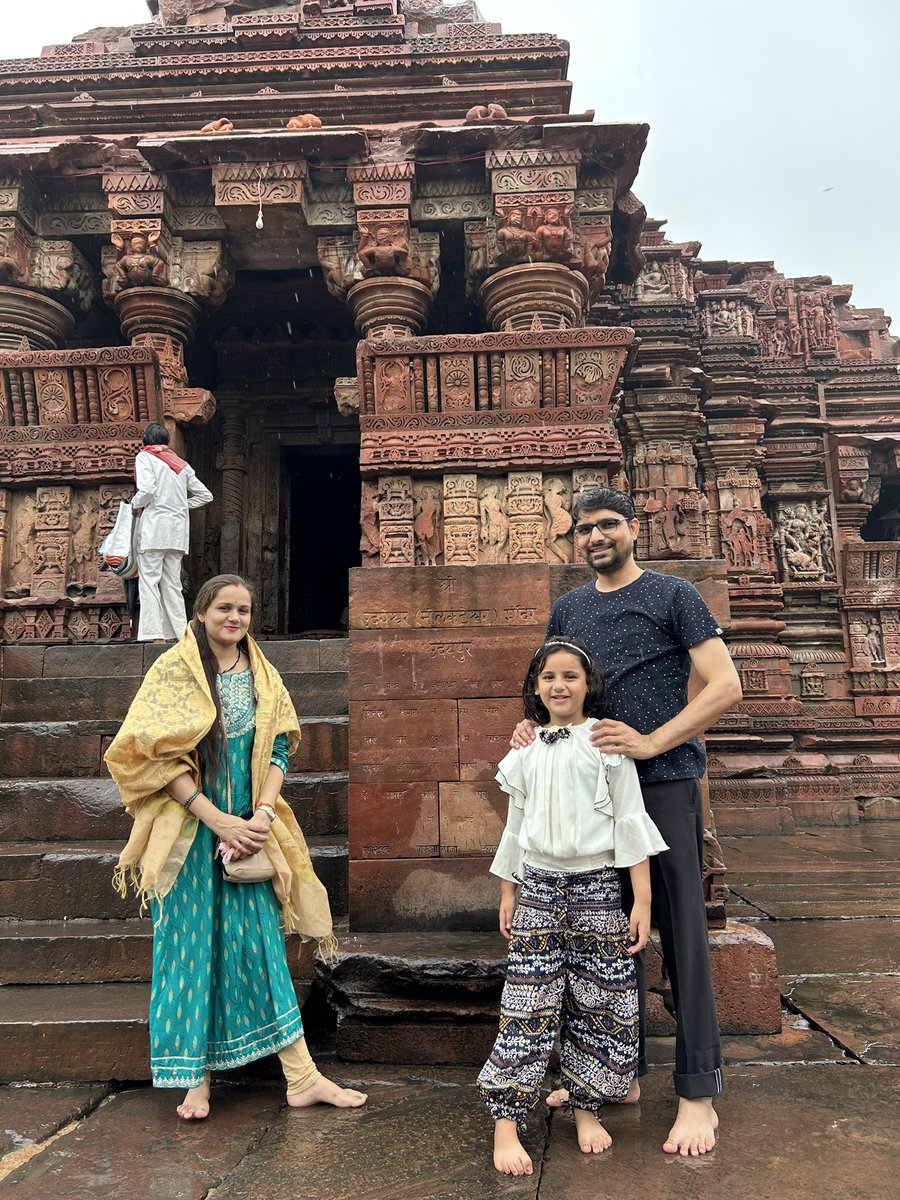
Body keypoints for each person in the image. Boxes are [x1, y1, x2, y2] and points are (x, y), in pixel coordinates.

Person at [512, 486, 742, 1157]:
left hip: (664, 783)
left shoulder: (674, 596)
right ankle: (619, 1075)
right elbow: (553, 683)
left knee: (681, 933)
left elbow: (725, 685)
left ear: (633, 528)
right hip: (591, 793)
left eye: (607, 524)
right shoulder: (570, 607)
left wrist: (652, 742)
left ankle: (698, 1093)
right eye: (584, 529)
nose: (595, 537)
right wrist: (533, 727)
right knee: (610, 940)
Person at [105, 574, 367, 1119]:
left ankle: (301, 1076)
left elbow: (279, 749)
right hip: (188, 830)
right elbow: (156, 759)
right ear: (201, 612)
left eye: (244, 610)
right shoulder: (174, 671)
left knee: (261, 947)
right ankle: (194, 1079)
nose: (235, 618)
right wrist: (217, 819)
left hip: (249, 832)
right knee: (187, 947)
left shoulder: (263, 676)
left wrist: (262, 815)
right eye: (225, 608)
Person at [479, 637, 668, 1176]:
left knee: (602, 1003)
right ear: (536, 688)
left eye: (570, 676)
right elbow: (516, 825)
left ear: (588, 686)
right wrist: (507, 891)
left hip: (598, 888)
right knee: (528, 1002)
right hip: (538, 885)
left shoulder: (607, 743)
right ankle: (506, 1121)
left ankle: (586, 1105)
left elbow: (629, 820)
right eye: (548, 677)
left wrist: (643, 900)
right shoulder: (525, 749)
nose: (559, 685)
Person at [132, 422, 212, 642]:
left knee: (149, 581)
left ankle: (154, 633)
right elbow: (206, 495)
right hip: (176, 532)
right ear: (166, 441)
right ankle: (179, 633)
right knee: (172, 584)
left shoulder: (145, 458)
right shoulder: (181, 465)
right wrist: (180, 505)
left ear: (146, 440)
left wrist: (134, 504)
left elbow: (147, 490)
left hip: (154, 529)